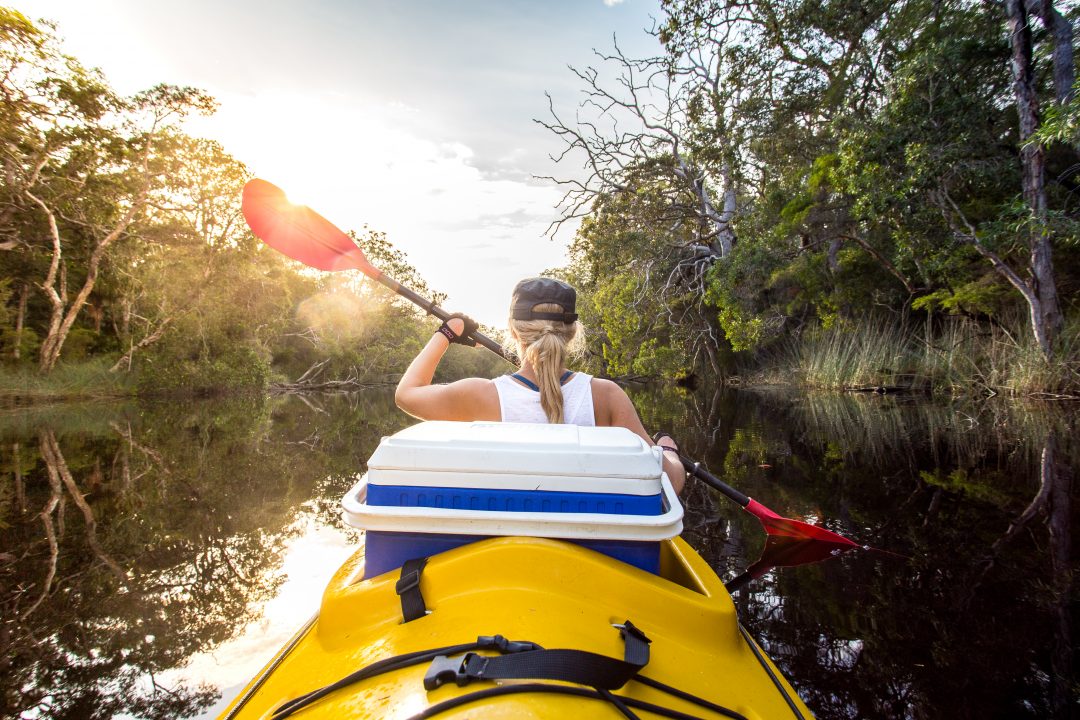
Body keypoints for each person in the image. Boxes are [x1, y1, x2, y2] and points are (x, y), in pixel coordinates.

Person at [395, 277, 686, 494]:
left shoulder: (480, 396)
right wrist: (667, 451)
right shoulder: (607, 396)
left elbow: (407, 393)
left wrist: (448, 331)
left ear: (512, 330)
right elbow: (670, 481)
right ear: (572, 332)